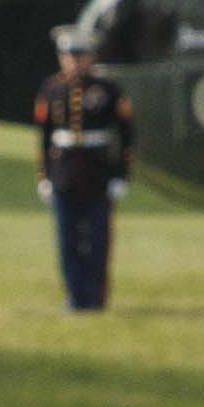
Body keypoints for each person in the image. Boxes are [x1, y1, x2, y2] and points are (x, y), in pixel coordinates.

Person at [35, 26, 139, 312]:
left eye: (79, 55)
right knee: (67, 240)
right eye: (68, 55)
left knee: (97, 242)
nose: (73, 61)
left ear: (91, 56)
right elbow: (44, 139)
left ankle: (95, 298)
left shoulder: (108, 90)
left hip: (97, 173)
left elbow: (126, 136)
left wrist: (120, 176)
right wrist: (44, 177)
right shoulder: (52, 89)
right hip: (64, 173)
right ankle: (74, 296)